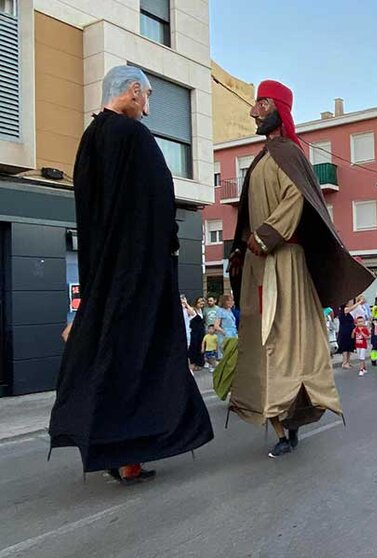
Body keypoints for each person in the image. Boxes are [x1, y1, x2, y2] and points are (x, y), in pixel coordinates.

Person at [48, 66, 213, 484]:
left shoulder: (90, 140)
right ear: (134, 91)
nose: (149, 107)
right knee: (144, 359)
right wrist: (167, 249)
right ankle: (130, 453)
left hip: (103, 274)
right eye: (149, 96)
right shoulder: (134, 137)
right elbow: (158, 203)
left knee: (109, 358)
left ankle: (111, 452)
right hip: (138, 275)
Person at [227, 79, 373, 458]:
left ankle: (289, 423)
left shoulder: (290, 154)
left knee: (286, 342)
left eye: (260, 104)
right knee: (262, 342)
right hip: (259, 266)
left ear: (277, 107)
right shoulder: (262, 157)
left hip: (283, 263)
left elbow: (295, 199)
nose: (253, 111)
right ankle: (274, 417)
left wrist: (265, 237)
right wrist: (243, 249)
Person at [187, 296, 206, 372]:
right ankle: (192, 363)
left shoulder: (201, 310)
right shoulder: (192, 310)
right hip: (194, 333)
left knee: (200, 347)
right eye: (199, 301)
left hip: (201, 332)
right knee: (193, 348)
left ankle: (199, 363)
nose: (201, 303)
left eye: (203, 301)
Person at [337, 300, 357, 369]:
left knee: (349, 347)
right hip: (345, 331)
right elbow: (352, 308)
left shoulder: (347, 312)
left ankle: (348, 361)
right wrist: (359, 302)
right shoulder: (344, 310)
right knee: (345, 347)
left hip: (350, 331)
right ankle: (344, 362)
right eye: (350, 302)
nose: (351, 303)